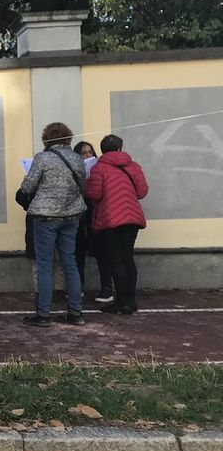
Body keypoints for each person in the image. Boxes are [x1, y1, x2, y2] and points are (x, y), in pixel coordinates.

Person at [17, 122, 87, 327]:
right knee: (70, 263)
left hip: (46, 217)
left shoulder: (42, 158)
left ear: (46, 138)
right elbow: (83, 186)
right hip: (71, 215)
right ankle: (75, 312)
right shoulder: (77, 158)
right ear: (68, 137)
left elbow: (27, 186)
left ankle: (43, 314)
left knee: (45, 264)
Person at [86, 134, 149, 315]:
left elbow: (95, 194)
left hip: (110, 219)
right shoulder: (134, 166)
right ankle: (131, 300)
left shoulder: (99, 168)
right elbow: (142, 192)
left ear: (102, 150)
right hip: (132, 218)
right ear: (120, 148)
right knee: (127, 257)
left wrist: (88, 184)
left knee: (115, 260)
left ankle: (121, 301)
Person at [73, 141, 115, 305]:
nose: (88, 156)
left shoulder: (100, 169)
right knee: (77, 253)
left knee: (101, 253)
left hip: (96, 215)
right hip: (77, 216)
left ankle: (107, 288)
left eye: (90, 152)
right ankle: (78, 288)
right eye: (84, 153)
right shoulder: (72, 170)